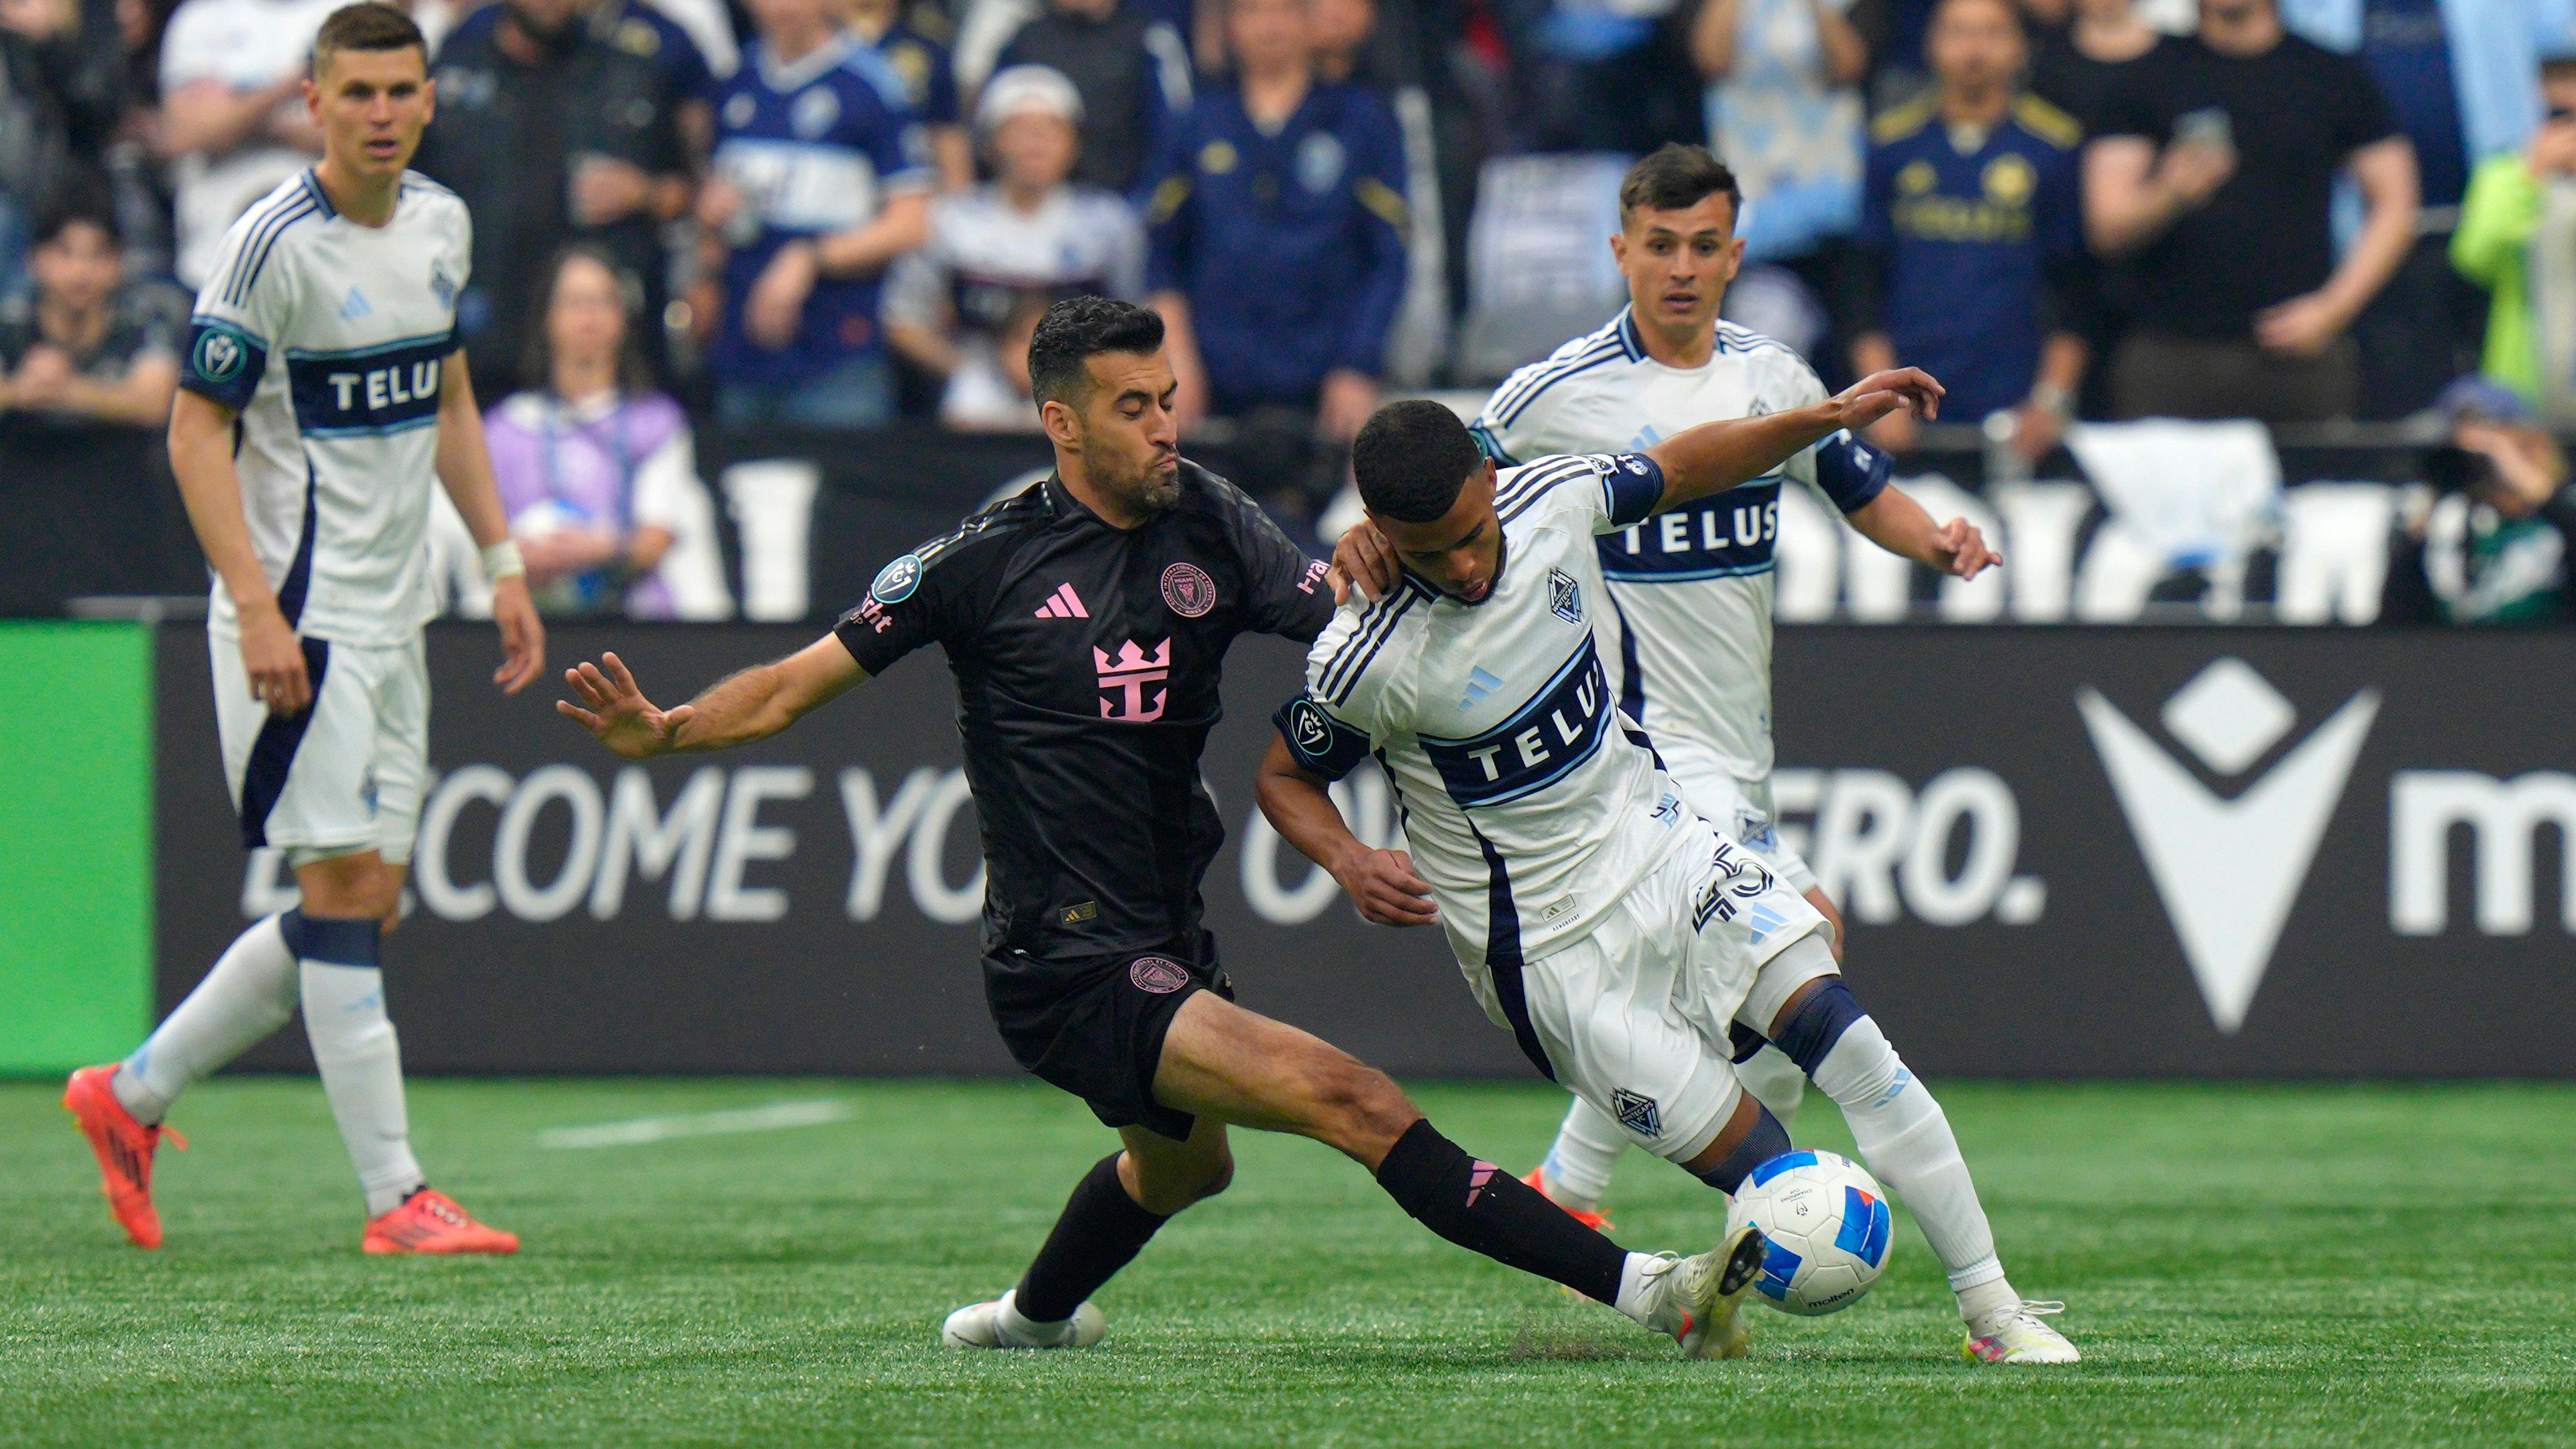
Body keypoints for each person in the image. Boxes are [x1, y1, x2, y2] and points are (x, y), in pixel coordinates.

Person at [557, 296, 1775, 1358]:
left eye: (1170, 398)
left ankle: (1029, 1320)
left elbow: (1349, 636)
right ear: (1062, 422)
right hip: (1061, 957)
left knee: (1187, 1167)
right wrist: (665, 732)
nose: (1163, 427)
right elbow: (787, 683)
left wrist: (1385, 565)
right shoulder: (982, 564)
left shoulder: (1211, 517)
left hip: (1166, 932)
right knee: (1350, 1098)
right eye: (1133, 406)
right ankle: (1651, 1292)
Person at [1268, 388, 2080, 1366]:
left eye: (1472, 535)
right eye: (1430, 553)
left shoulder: (1552, 499)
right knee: (1770, 1171)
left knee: (1854, 1046)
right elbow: (1283, 776)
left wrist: (1822, 418)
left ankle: (1994, 1314)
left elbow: (1692, 462)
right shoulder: (1366, 658)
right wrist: (1348, 860)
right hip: (1549, 950)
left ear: (1490, 480)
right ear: (1381, 534)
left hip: (1662, 847)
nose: (1466, 566)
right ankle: (1686, 1284)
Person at [1459, 139, 2011, 1316]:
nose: (1679, 268)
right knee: (1803, 933)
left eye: (1702, 245)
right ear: (1621, 250)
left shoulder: (1772, 379)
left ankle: (1576, 1182)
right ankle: (1981, 1303)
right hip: (1635, 756)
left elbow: (1855, 485)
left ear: (1734, 255)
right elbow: (1445, 489)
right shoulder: (1552, 396)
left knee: (1731, 989)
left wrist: (1939, 540)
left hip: (1734, 752)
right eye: (1657, 245)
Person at [62, 3, 545, 1256]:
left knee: (366, 904)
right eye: (359, 93)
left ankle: (131, 1093)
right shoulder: (268, 245)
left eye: (402, 89)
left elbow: (445, 391)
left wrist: (499, 560)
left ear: (430, 97)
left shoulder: (441, 222)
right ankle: (396, 1198)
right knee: (338, 889)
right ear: (314, 100)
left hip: (399, 617)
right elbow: (192, 430)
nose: (382, 112)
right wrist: (258, 603)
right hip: (301, 620)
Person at [2083, 0, 2416, 422]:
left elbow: (2396, 203)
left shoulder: (2331, 74)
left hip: (2299, 357)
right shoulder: (2147, 77)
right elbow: (2105, 225)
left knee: (2322, 488)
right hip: (2172, 354)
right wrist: (2169, 193)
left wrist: (2333, 308)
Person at [1145, 0, 1407, 511]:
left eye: (1285, 9)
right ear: (1228, 26)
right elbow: (1161, 254)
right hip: (1214, 385)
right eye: (1250, 11)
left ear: (1312, 21)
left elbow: (1388, 258)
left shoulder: (1362, 120)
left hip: (1321, 386)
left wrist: (1358, 363)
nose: (1269, 26)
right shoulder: (1195, 122)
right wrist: (1172, 360)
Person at [2279, 0, 2576, 417]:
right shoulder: (2315, 10)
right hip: (2371, 249)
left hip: (2501, 234)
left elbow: (2562, 34)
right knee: (2399, 417)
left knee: (2506, 417)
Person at [414, 0, 710, 399]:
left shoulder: (630, 73)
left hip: (600, 357)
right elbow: (408, 196)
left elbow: (692, 193)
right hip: (478, 343)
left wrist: (646, 192)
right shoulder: (454, 70)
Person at [1852, 0, 2086, 458]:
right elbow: (1860, 281)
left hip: (2014, 409)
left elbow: (2076, 286)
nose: (1974, 50)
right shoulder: (1890, 143)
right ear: (1930, 44)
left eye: (1992, 33)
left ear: (2020, 47)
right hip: (1907, 403)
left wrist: (2049, 400)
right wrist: (1879, 396)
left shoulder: (2054, 146)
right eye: (1957, 32)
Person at [699, 0, 933, 428]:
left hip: (837, 347)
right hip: (742, 346)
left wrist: (809, 258)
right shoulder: (736, 81)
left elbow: (911, 223)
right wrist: (710, 228)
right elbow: (715, 202)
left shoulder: (873, 84)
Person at [884, 64, 1145, 429]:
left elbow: (1140, 322)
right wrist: (966, 370)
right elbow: (903, 319)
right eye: (1020, 130)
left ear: (1074, 143)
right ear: (991, 143)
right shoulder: (951, 221)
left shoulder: (1109, 225)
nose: (1036, 144)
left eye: (1051, 130)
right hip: (976, 402)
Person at [485, 245, 731, 619]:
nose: (589, 317)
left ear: (623, 319)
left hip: (632, 626)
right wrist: (514, 558)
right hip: (528, 620)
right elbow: (474, 545)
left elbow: (656, 537)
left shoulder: (655, 422)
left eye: (602, 302)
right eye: (574, 302)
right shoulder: (504, 429)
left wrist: (599, 551)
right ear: (546, 317)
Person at [1692, 0, 1868, 329]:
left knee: (1846, 327)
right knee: (1761, 326)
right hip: (1750, 194)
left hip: (1830, 191)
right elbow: (1711, 59)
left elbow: (1850, 65)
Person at [152, 0, 339, 290]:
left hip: (329, 258)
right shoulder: (201, 19)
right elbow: (185, 133)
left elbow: (358, 135)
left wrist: (234, 116)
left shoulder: (351, 15)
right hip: (212, 259)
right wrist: (292, 85)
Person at [2452, 49, 2576, 426]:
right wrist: (2530, 175)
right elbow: (2474, 258)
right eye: (2559, 115)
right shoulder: (2505, 174)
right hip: (2528, 393)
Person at [0, 198, 181, 426]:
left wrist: (68, 389)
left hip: (115, 458)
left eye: (99, 255)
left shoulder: (142, 319)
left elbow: (156, 404)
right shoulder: (10, 319)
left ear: (119, 264)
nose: (81, 271)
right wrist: (20, 389)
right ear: (36, 259)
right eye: (65, 253)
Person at [992, 0, 1193, 194]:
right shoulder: (1024, 41)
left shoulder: (1151, 39)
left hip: (1123, 201)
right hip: (1039, 206)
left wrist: (1142, 206)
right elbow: (993, 126)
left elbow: (1174, 133)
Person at [836, 0, 971, 189]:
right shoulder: (816, 46)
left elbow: (946, 136)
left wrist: (957, 202)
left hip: (907, 179)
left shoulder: (927, 50)